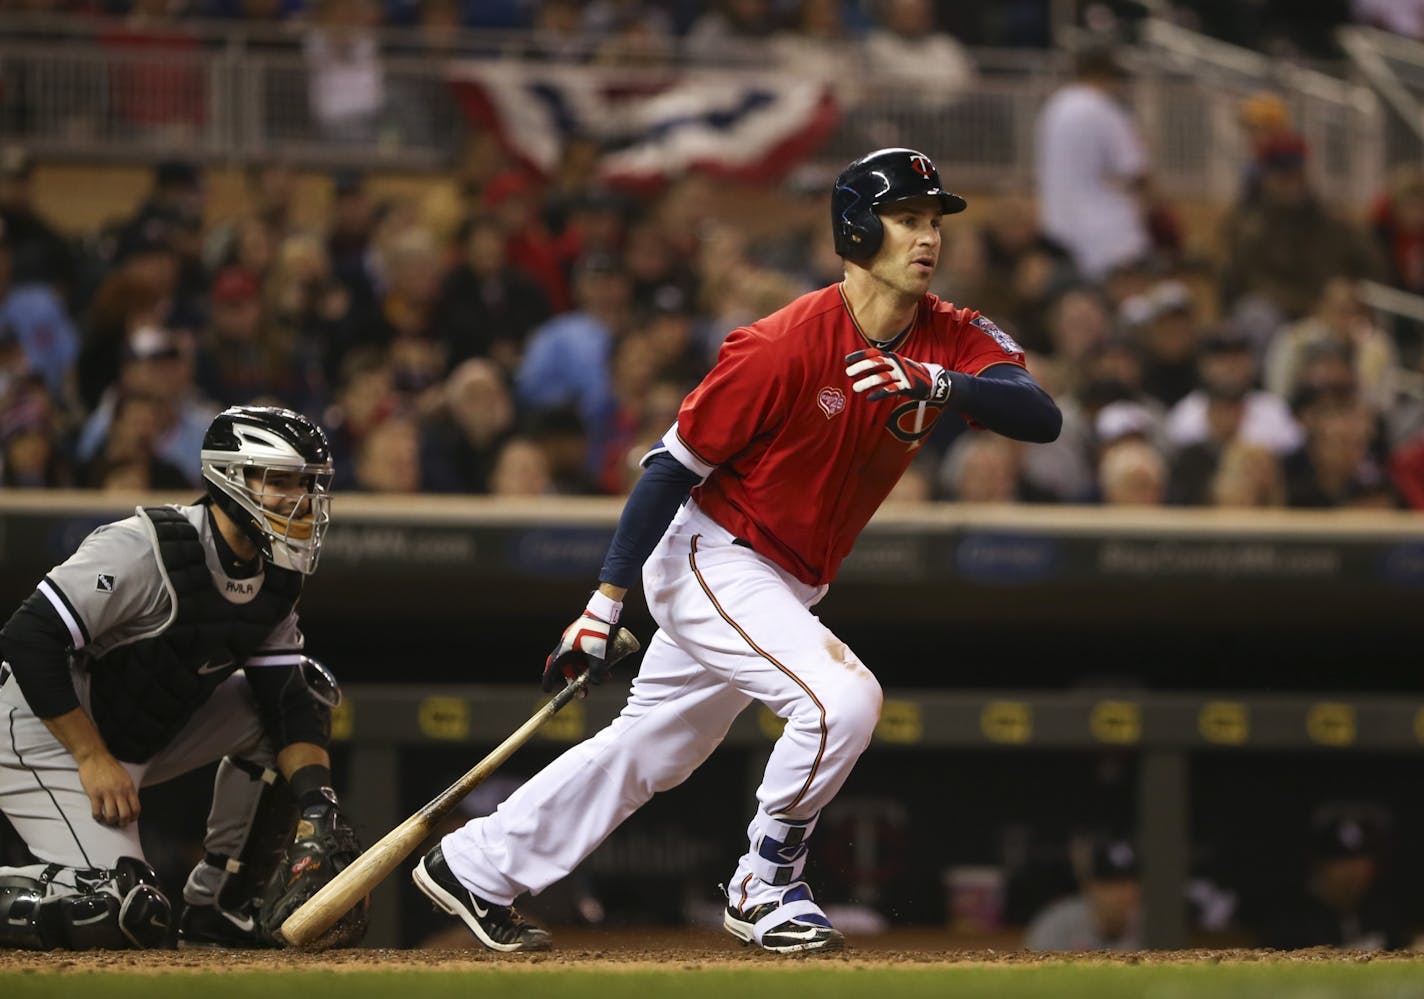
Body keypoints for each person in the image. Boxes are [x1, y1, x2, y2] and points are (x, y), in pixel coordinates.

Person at [413, 147, 1062, 954]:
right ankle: (766, 882)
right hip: (713, 552)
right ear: (858, 229)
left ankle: (477, 863)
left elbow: (1039, 413)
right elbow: (666, 470)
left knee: (655, 748)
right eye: (907, 220)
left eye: (934, 222)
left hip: (787, 578)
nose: (927, 238)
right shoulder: (781, 343)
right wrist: (601, 603)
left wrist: (938, 384)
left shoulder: (949, 336)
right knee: (841, 700)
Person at [0, 406, 365, 950]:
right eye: (282, 481)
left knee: (308, 689)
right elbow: (28, 637)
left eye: (308, 485)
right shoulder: (143, 545)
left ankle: (219, 905)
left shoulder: (277, 574)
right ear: (230, 477)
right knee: (120, 910)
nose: (300, 500)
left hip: (133, 732)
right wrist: (91, 757)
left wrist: (319, 804)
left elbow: (285, 701)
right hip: (41, 732)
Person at [1024, 837, 1142, 951]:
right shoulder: (1057, 926)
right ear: (1090, 887)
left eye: (1129, 883)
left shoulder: (1148, 926)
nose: (1124, 893)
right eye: (1112, 884)